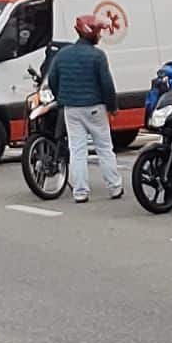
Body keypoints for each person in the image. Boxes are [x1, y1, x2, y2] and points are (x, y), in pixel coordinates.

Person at [48, 15, 122, 204]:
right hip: (95, 107)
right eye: (98, 32)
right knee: (104, 148)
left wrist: (61, 98)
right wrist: (112, 106)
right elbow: (107, 84)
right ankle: (114, 187)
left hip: (71, 109)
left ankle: (80, 191)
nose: (99, 35)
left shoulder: (62, 54)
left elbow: (52, 80)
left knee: (77, 150)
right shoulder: (97, 56)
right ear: (92, 34)